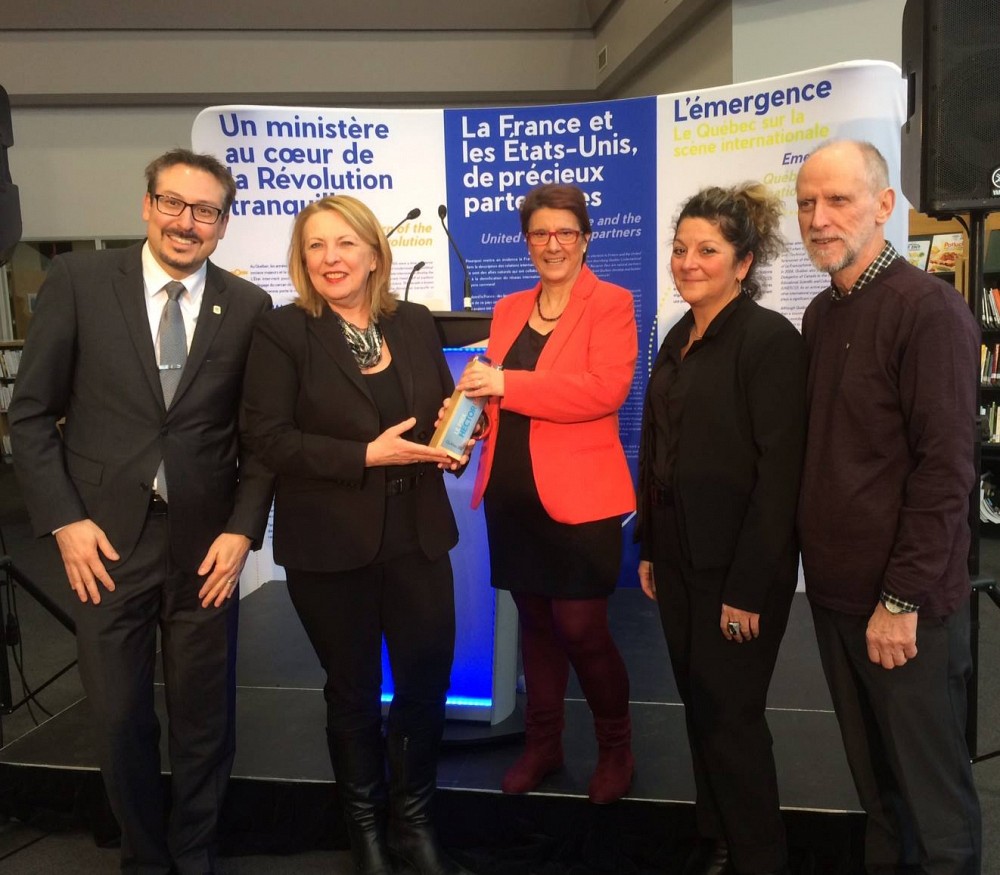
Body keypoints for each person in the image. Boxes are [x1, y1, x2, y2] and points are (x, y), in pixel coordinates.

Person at [8, 149, 274, 874]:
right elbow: (30, 417)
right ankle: (144, 857)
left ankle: (193, 854)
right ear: (147, 204)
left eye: (206, 210)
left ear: (223, 224)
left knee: (202, 720)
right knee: (120, 716)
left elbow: (261, 439)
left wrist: (243, 529)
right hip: (101, 543)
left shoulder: (248, 308)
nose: (187, 222)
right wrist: (65, 519)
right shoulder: (79, 282)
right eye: (174, 203)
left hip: (205, 549)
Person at [241, 195, 473, 875]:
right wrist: (366, 455)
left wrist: (460, 430)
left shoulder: (416, 323)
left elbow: (434, 409)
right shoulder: (284, 332)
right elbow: (266, 438)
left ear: (375, 252)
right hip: (330, 542)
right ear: (301, 259)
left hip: (418, 532)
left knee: (427, 682)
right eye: (316, 246)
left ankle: (415, 825)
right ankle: (366, 836)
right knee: (352, 690)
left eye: (346, 243)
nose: (332, 258)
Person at [796, 139, 982, 875]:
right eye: (807, 202)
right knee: (880, 797)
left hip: (905, 611)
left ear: (883, 205)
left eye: (837, 200)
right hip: (840, 600)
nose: (818, 217)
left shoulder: (928, 310)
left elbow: (945, 473)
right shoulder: (822, 311)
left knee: (935, 809)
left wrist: (900, 598)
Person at [636, 183, 806, 875]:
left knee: (732, 720)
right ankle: (720, 838)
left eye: (707, 249)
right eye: (680, 248)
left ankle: (760, 858)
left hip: (737, 569)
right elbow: (658, 448)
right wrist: (648, 543)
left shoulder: (769, 341)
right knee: (700, 707)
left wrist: (748, 588)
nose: (688, 261)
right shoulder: (679, 335)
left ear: (744, 262)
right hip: (676, 556)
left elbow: (779, 479)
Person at [457, 183, 637, 805]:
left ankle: (617, 748)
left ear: (586, 239)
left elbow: (600, 392)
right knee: (534, 623)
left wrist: (506, 381)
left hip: (581, 496)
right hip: (510, 489)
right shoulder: (508, 307)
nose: (552, 244)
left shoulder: (611, 303)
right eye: (540, 233)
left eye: (565, 232)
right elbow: (496, 397)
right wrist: (474, 417)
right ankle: (544, 744)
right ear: (526, 241)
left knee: (580, 625)